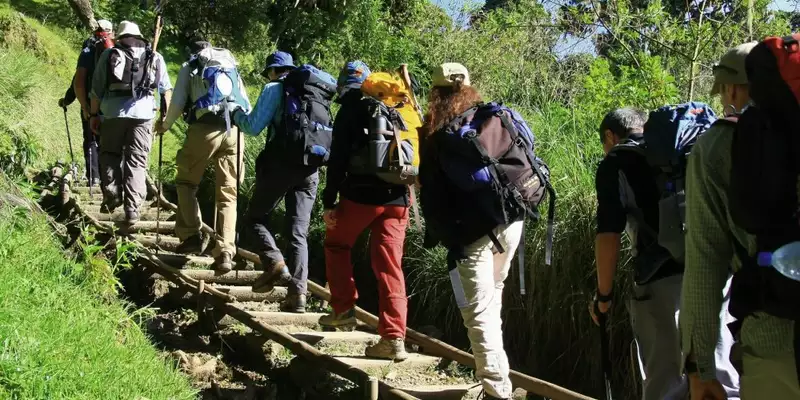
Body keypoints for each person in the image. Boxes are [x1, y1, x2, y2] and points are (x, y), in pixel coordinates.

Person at [419, 63, 554, 400]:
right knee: (493, 296)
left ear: (436, 93)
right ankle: (500, 378)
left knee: (477, 309)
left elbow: (431, 192)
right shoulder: (494, 117)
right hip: (512, 219)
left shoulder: (436, 133)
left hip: (473, 234)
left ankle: (496, 389)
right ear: (469, 87)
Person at [588, 106, 740, 400]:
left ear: (610, 135)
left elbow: (608, 233)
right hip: (715, 273)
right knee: (718, 373)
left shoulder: (616, 161)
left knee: (665, 381)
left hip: (660, 279)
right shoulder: (687, 150)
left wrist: (603, 296)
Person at [682, 41, 800, 400]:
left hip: (774, 346)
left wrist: (699, 365)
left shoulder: (718, 144)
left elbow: (705, 264)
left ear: (734, 88)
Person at [318, 61, 413, 361]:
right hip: (399, 199)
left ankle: (343, 309)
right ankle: (394, 339)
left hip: (360, 196)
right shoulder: (398, 106)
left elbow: (338, 158)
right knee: (390, 267)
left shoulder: (351, 108)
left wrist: (329, 199)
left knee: (336, 243)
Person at [234, 51, 334, 314]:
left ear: (272, 70)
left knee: (255, 218)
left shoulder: (274, 88)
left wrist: (236, 115)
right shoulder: (316, 92)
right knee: (298, 233)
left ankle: (275, 262)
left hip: (280, 164)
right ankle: (298, 294)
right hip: (310, 168)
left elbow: (253, 126)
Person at [156, 39, 251, 272]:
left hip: (205, 127)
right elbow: (246, 105)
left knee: (186, 182)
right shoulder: (230, 66)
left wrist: (165, 125)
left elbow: (177, 101)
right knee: (228, 195)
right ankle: (226, 251)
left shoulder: (191, 67)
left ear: (193, 52)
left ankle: (191, 236)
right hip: (234, 132)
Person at [89, 20, 172, 223]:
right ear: (138, 36)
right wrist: (164, 118)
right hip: (143, 115)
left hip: (112, 114)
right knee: (137, 161)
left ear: (120, 37)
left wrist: (93, 115)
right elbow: (166, 90)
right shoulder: (155, 56)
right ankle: (133, 210)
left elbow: (96, 89)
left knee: (109, 154)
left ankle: (113, 194)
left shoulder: (110, 54)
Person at [59, 19, 114, 186]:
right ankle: (110, 179)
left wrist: (71, 101)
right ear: (111, 32)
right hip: (114, 105)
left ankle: (94, 177)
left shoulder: (89, 49)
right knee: (110, 141)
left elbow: (79, 80)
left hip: (91, 103)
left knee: (90, 138)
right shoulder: (117, 49)